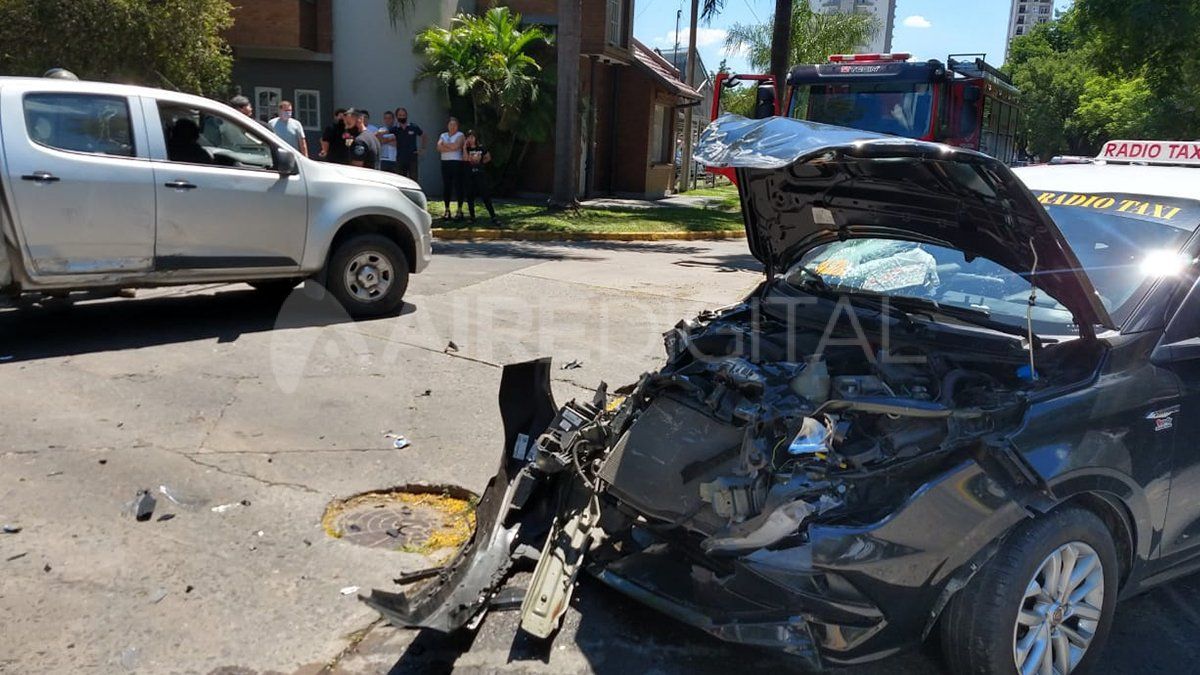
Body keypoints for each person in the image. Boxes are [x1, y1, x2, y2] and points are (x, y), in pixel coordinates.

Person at [463, 130, 499, 225]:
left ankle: (493, 216)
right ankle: (472, 217)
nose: (471, 139)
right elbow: (465, 159)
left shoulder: (481, 148)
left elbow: (488, 157)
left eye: (472, 137)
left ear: (475, 138)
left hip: (480, 175)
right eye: (469, 137)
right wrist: (464, 147)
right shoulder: (467, 149)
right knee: (470, 197)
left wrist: (481, 163)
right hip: (470, 175)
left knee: (485, 196)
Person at [437, 117, 466, 220]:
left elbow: (456, 146)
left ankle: (459, 210)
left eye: (454, 125)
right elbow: (439, 147)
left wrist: (445, 145)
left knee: (458, 186)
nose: (452, 127)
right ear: (447, 126)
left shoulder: (460, 135)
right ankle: (447, 209)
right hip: (445, 163)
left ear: (457, 126)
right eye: (450, 125)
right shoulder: (443, 135)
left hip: (457, 163)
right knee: (447, 186)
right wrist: (450, 147)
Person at [393, 107, 425, 180]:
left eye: (404, 115)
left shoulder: (413, 127)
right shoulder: (395, 129)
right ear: (397, 116)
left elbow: (424, 136)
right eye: (400, 115)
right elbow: (383, 134)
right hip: (400, 159)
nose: (402, 117)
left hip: (412, 159)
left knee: (413, 180)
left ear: (406, 116)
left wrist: (423, 148)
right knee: (400, 180)